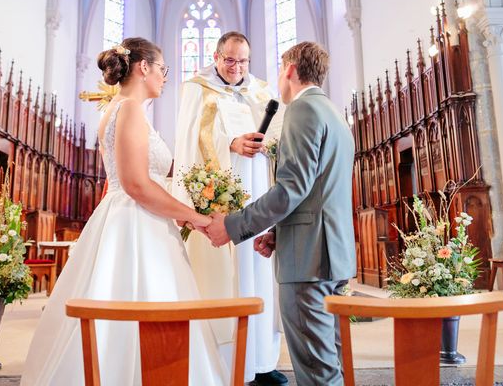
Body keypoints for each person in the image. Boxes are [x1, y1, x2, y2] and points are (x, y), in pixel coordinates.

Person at [21, 38, 227, 385]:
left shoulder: (119, 107)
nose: (165, 77)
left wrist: (177, 209)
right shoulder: (129, 108)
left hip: (132, 218)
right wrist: (197, 217)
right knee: (144, 310)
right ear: (143, 67)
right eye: (162, 69)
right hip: (136, 224)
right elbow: (136, 185)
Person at [205, 41, 357, 386]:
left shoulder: (302, 111)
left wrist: (232, 225)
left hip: (309, 260)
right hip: (328, 252)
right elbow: (318, 191)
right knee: (329, 361)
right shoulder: (332, 112)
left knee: (317, 370)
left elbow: (291, 188)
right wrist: (278, 233)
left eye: (279, 70)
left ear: (289, 69)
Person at [172, 32, 286, 385]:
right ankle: (225, 364)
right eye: (230, 60)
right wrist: (231, 143)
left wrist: (268, 143)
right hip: (220, 197)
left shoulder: (263, 91)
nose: (237, 68)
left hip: (259, 195)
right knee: (223, 279)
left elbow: (281, 136)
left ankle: (263, 362)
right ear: (216, 57)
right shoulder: (197, 89)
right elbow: (191, 139)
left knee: (259, 274)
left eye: (243, 61)